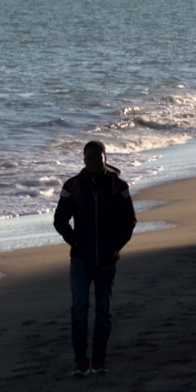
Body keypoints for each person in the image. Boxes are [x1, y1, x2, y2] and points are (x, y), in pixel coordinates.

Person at [53, 141, 137, 376]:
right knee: (79, 308)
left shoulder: (118, 185)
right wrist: (74, 242)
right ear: (84, 160)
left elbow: (129, 221)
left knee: (103, 311)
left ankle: (99, 361)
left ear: (105, 158)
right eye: (90, 159)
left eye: (98, 159)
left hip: (107, 260)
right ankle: (81, 362)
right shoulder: (73, 185)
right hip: (80, 259)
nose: (94, 163)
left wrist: (116, 247)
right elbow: (60, 220)